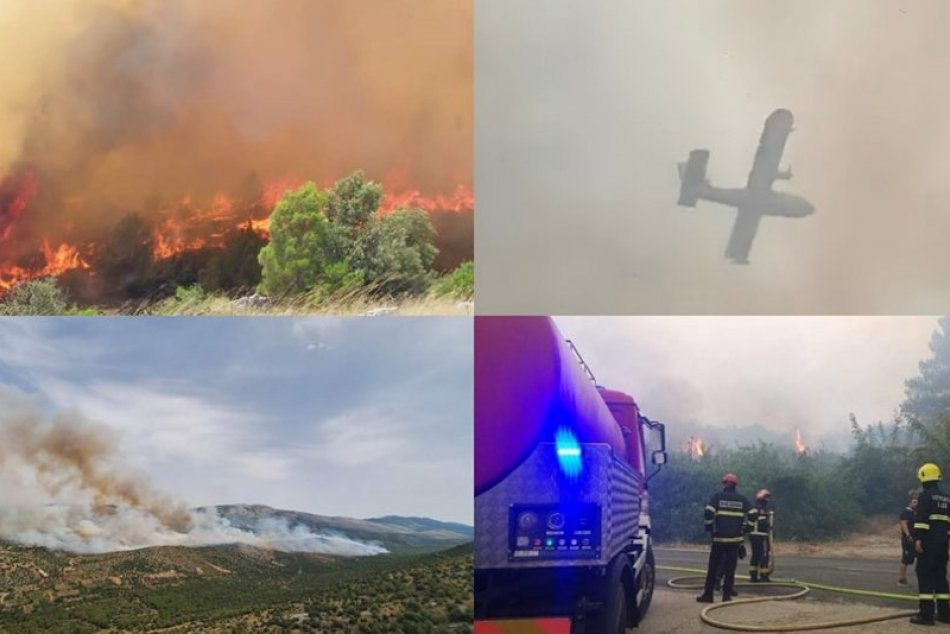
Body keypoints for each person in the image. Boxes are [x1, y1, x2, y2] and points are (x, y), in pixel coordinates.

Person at [697, 472, 755, 604]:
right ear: (735, 485)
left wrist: (710, 529)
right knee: (730, 569)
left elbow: (708, 512)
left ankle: (708, 595)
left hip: (719, 539)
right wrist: (747, 529)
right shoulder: (741, 499)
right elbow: (753, 513)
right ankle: (726, 596)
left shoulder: (718, 497)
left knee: (713, 568)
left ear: (724, 484)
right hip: (735, 540)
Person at [910, 463, 950, 625]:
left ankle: (926, 615)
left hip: (928, 543)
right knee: (940, 577)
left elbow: (922, 520)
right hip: (943, 544)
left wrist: (918, 539)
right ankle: (945, 613)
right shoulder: (946, 498)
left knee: (925, 575)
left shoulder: (925, 496)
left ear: (924, 478)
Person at [749, 489, 774, 582]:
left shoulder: (754, 507)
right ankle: (764, 575)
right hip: (761, 535)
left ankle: (753, 575)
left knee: (755, 555)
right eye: (766, 497)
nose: (767, 500)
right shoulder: (761, 509)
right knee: (764, 555)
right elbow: (763, 522)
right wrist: (769, 525)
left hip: (753, 535)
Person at [899, 491, 919, 587]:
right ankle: (901, 579)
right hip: (908, 540)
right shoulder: (906, 512)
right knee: (906, 560)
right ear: (910, 502)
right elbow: (903, 524)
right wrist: (908, 535)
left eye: (917, 502)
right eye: (914, 502)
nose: (916, 504)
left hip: (916, 540)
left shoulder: (915, 513)